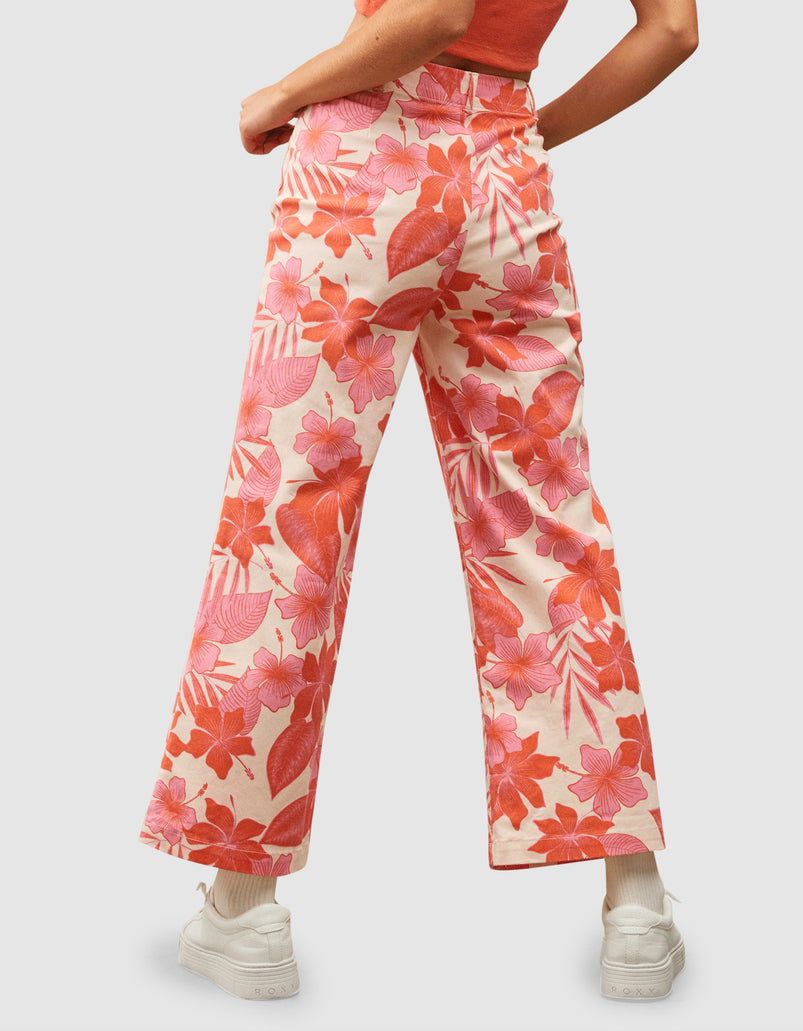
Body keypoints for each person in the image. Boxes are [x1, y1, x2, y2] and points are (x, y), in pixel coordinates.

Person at [138, 0, 699, 1003]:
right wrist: (526, 133)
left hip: (370, 163)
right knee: (547, 526)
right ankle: (636, 904)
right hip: (505, 177)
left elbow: (434, 12)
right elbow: (671, 31)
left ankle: (243, 904)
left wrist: (283, 92)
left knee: (289, 516)